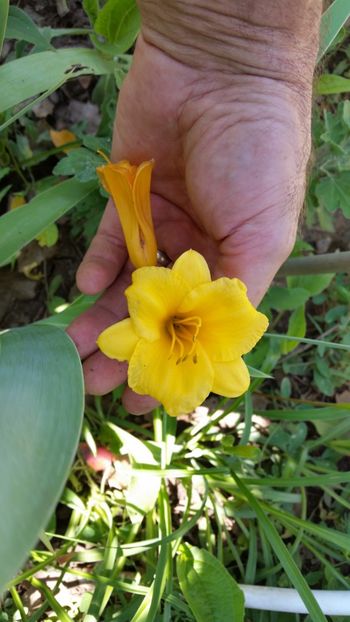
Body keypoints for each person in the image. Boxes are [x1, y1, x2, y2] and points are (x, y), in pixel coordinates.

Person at [67, 0, 322, 414]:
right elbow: (174, 293)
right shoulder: (184, 290)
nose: (185, 338)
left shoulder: (188, 300)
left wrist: (236, 56)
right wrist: (240, 57)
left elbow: (227, 374)